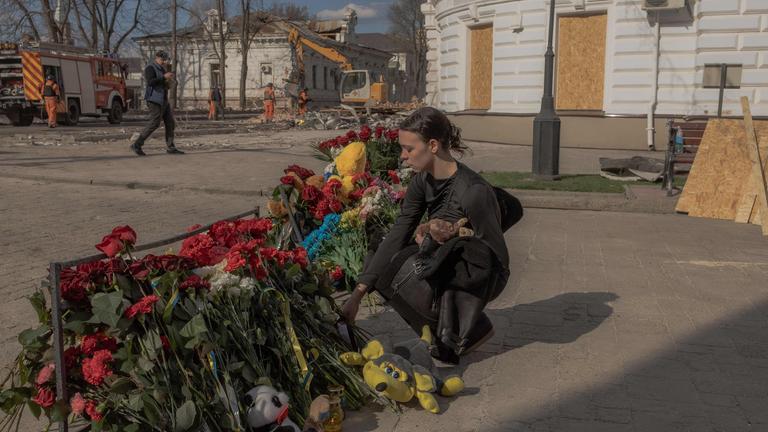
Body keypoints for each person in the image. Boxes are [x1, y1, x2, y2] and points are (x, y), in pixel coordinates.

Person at [340, 107, 512, 364]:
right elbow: (399, 232)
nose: (403, 156)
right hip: (446, 261)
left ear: (432, 145)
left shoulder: (473, 191)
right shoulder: (423, 182)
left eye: (409, 149)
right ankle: (450, 330)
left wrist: (454, 236)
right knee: (383, 255)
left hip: (480, 273)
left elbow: (496, 258)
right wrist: (357, 294)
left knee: (406, 267)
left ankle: (461, 330)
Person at [130, 51, 184, 156]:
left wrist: (170, 82)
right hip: (153, 99)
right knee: (155, 123)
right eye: (162, 59)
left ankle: (171, 147)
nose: (164, 62)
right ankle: (137, 144)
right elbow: (150, 82)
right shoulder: (150, 68)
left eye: (165, 60)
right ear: (157, 58)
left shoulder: (162, 69)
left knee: (170, 123)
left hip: (163, 100)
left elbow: (162, 83)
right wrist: (164, 77)